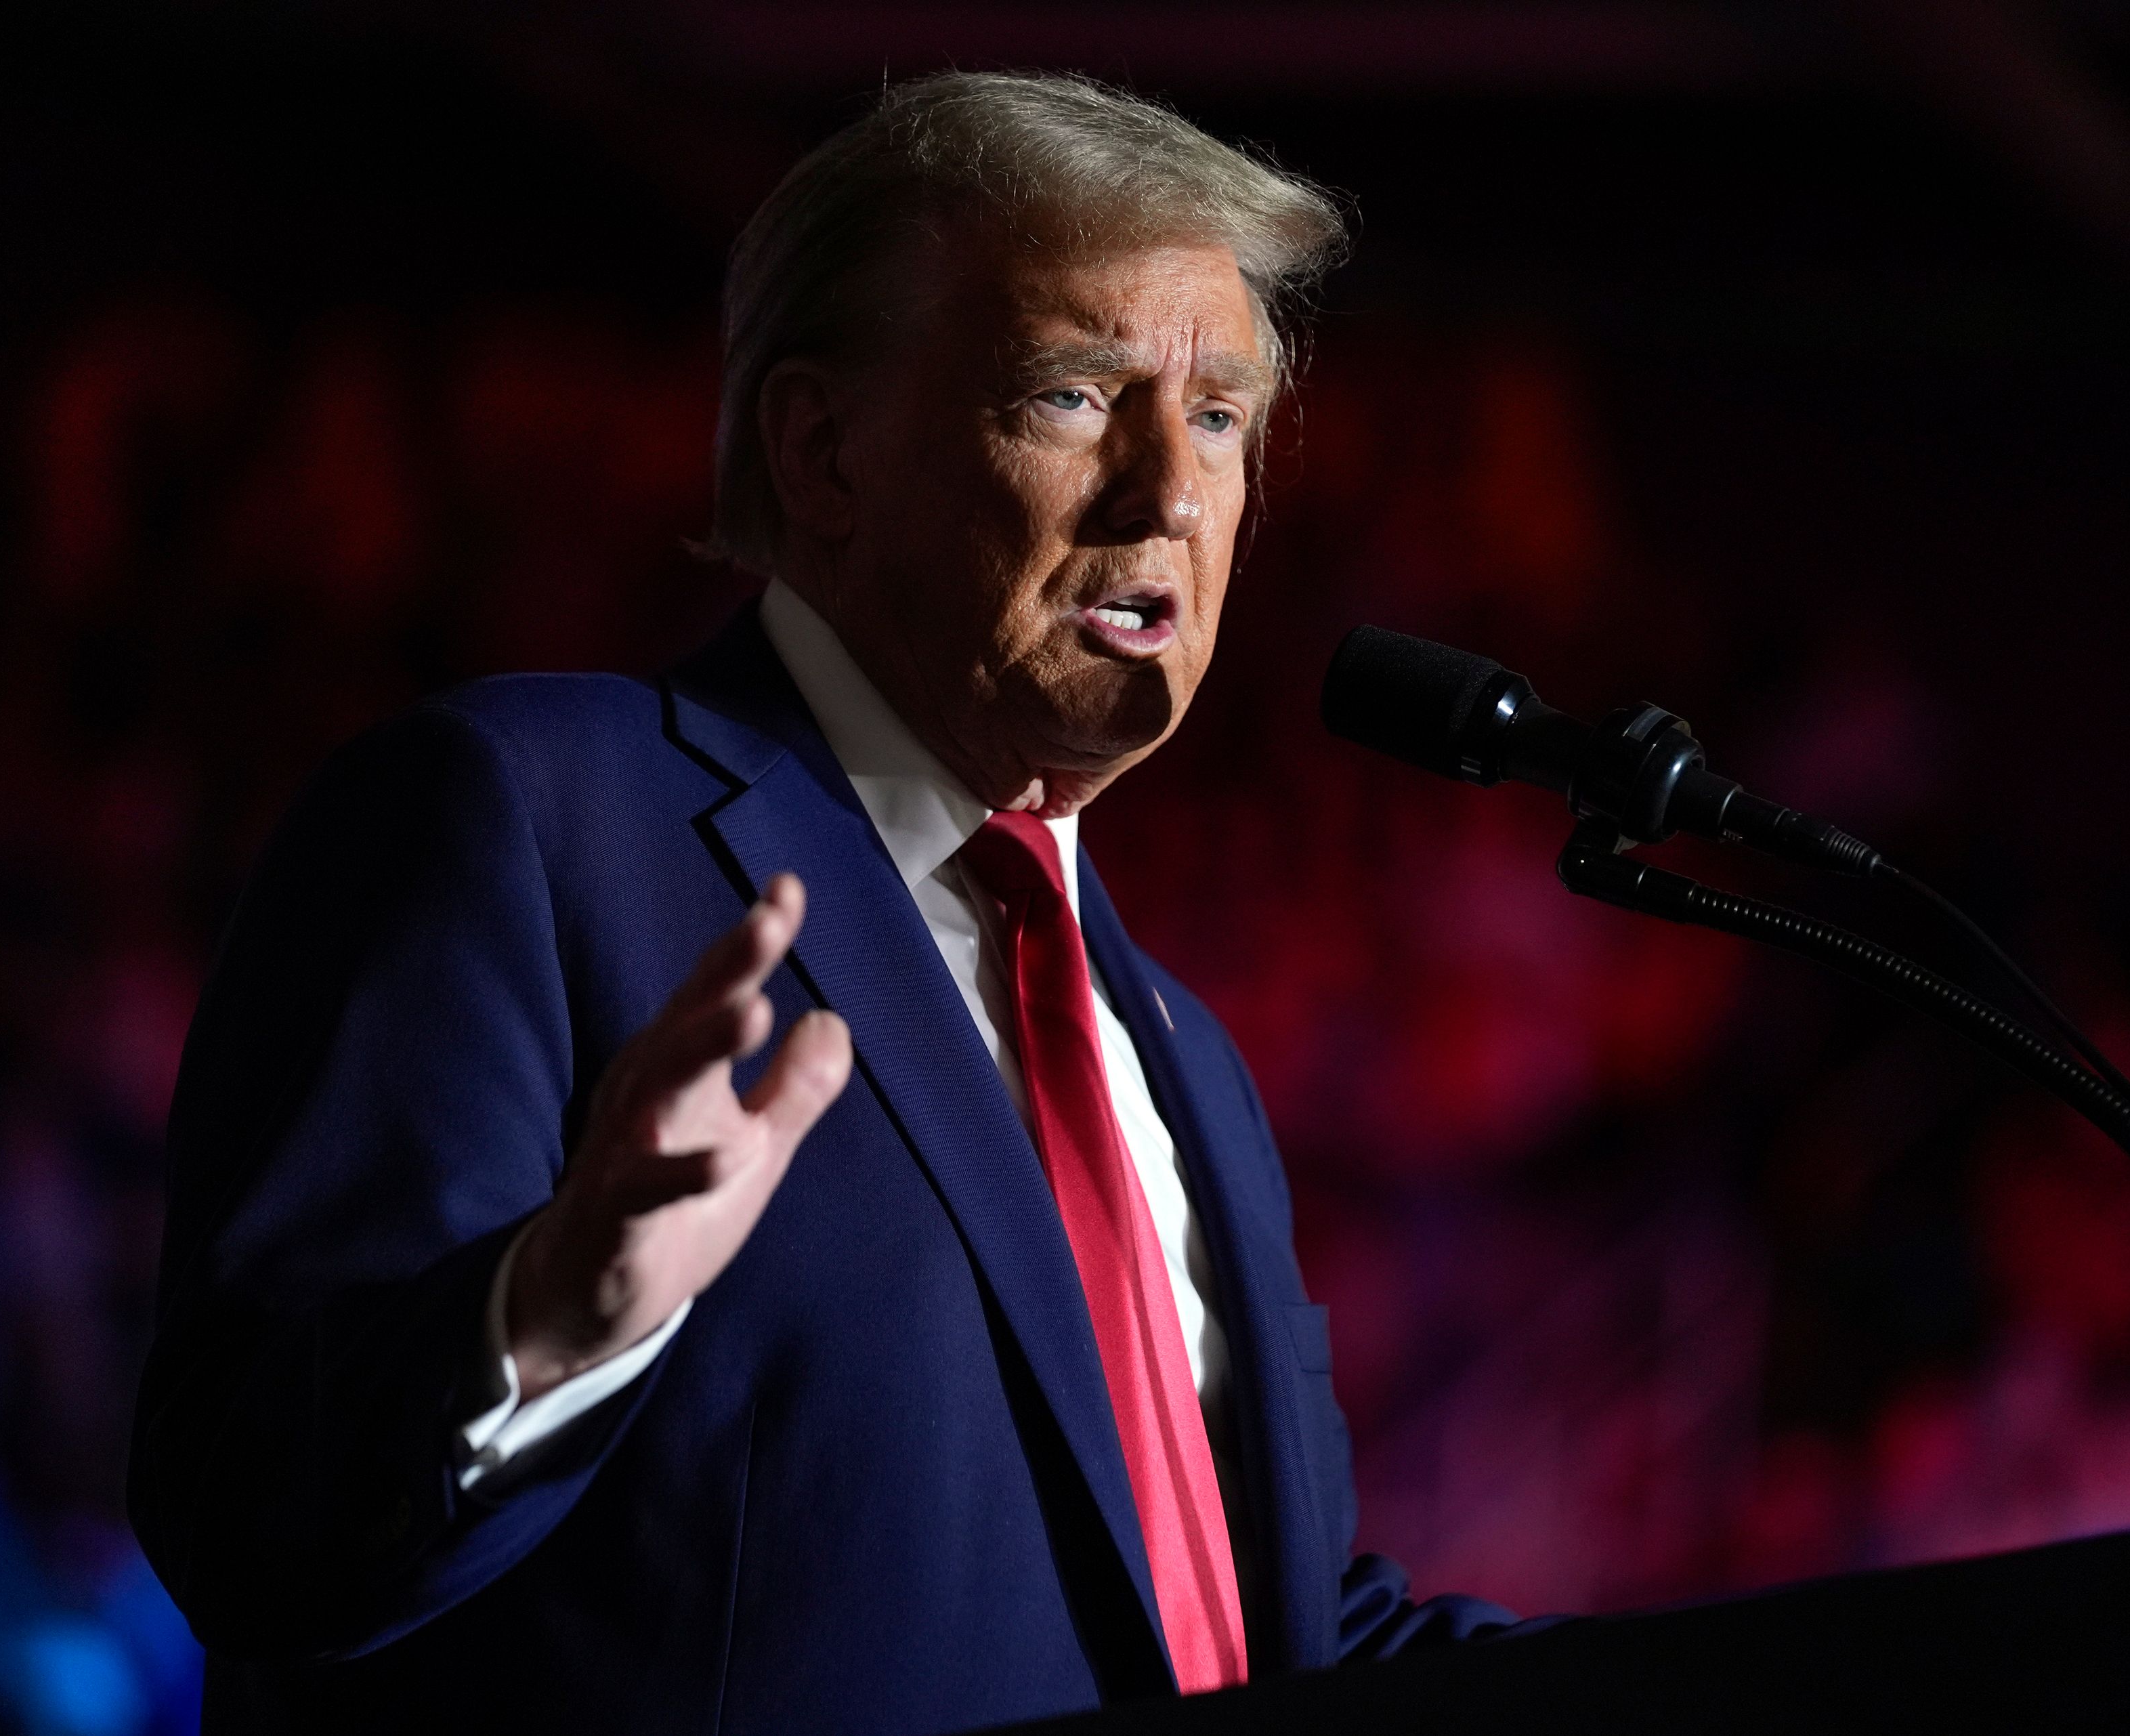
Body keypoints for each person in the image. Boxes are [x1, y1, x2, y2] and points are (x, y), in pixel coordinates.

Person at [130, 72, 1525, 1735]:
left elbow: (1239, 1623)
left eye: (1219, 415)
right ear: (822, 449)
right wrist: (545, 1318)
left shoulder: (1182, 1054)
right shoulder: (528, 816)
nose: (1170, 491)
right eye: (1075, 395)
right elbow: (250, 1514)